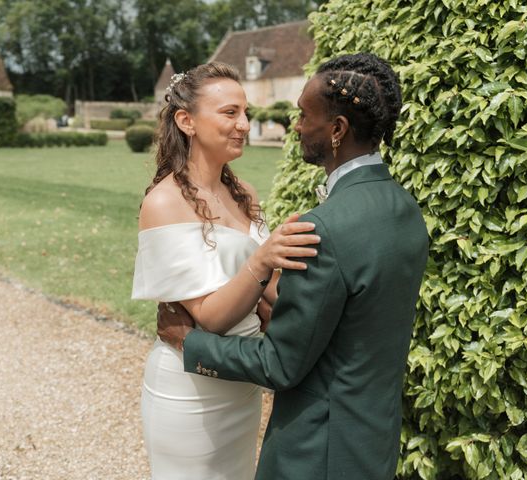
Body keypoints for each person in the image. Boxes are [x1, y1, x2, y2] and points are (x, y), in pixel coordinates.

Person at [157, 53, 429, 480]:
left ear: (337, 130)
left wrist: (188, 343)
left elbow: (280, 364)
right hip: (372, 435)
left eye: (305, 115)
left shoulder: (325, 228)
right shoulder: (405, 209)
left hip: (318, 449)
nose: (296, 126)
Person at [131, 62, 320, 480]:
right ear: (187, 121)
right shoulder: (164, 203)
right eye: (230, 113)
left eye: (246, 113)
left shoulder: (244, 193)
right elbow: (210, 318)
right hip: (190, 391)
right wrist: (263, 258)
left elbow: (270, 293)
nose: (244, 125)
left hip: (243, 380)